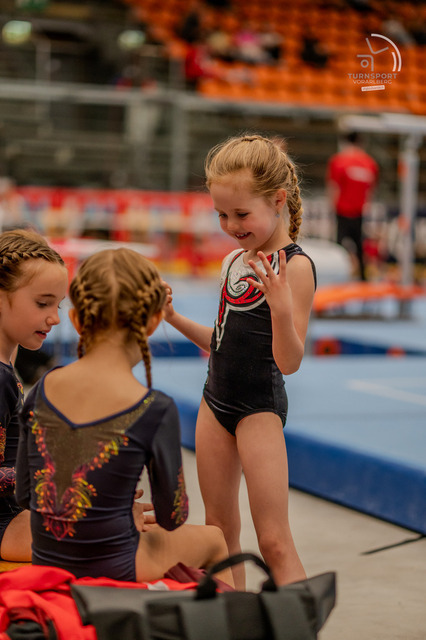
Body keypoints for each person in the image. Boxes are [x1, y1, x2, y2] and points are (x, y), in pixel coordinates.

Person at [16, 248, 233, 586]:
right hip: (116, 562)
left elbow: (25, 493)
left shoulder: (42, 389)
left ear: (76, 320)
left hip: (48, 557)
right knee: (216, 539)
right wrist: (123, 514)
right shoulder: (153, 408)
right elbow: (172, 516)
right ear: (153, 321)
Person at [163, 134, 317, 588]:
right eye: (222, 214)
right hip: (214, 403)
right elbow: (220, 342)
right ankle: (232, 620)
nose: (230, 225)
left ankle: (300, 618)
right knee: (218, 531)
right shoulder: (234, 260)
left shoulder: (296, 266)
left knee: (273, 540)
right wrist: (172, 318)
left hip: (257, 409)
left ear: (278, 200)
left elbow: (289, 362)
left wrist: (281, 310)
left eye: (241, 214)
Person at [0, 228, 68, 562]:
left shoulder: (7, 365)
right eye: (43, 304)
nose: (55, 317)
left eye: (58, 304)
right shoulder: (0, 378)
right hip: (7, 527)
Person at [327, 131, 379, 281]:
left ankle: (335, 275)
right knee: (359, 247)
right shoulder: (370, 163)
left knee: (338, 247)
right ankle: (363, 277)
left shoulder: (339, 161)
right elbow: (371, 190)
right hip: (359, 211)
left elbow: (333, 187)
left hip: (342, 210)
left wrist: (331, 207)